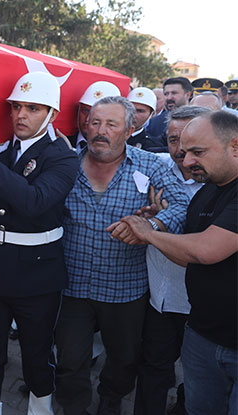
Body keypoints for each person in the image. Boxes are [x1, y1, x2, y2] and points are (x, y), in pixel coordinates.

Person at [56, 96, 190, 415]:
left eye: (111, 124)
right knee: (70, 360)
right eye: (95, 123)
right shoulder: (66, 163)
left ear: (129, 130)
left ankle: (111, 398)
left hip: (124, 289)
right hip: (71, 286)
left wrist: (152, 224)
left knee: (124, 357)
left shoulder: (150, 165)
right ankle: (74, 407)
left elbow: (181, 206)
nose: (100, 131)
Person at [0, 72, 78, 415]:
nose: (20, 115)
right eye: (16, 106)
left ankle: (40, 409)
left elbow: (34, 202)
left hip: (36, 274)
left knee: (36, 354)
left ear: (52, 114)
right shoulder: (1, 147)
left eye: (32, 108)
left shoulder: (63, 156)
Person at [117, 110, 237, 415]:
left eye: (198, 152)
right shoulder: (208, 192)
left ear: (235, 146)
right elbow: (187, 254)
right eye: (182, 150)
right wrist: (158, 227)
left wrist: (149, 232)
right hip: (203, 333)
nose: (186, 162)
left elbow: (205, 250)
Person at [132, 105, 210, 415]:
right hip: (158, 300)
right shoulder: (155, 167)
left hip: (199, 305)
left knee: (197, 380)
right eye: (172, 139)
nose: (180, 150)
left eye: (189, 140)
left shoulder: (221, 182)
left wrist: (161, 221)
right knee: (151, 370)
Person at [70, 81, 121, 151]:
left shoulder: (120, 152)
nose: (87, 119)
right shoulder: (62, 144)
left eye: (97, 113)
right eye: (85, 110)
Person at [146, 77, 193, 144]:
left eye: (174, 93)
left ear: (188, 95)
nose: (169, 98)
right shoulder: (154, 122)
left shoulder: (198, 120)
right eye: (166, 94)